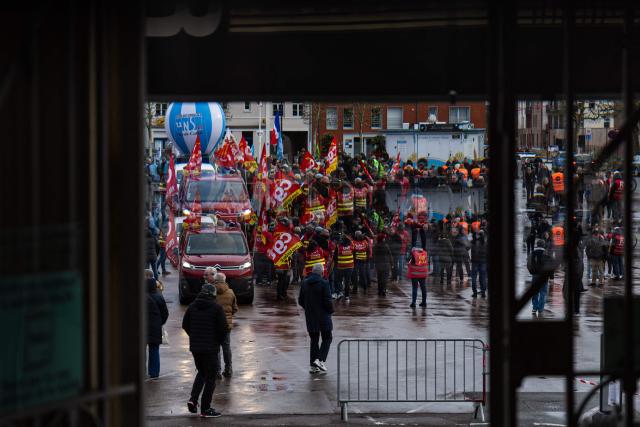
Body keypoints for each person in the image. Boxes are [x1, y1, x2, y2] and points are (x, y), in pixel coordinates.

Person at [182, 283, 228, 418]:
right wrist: (217, 342)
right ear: (213, 295)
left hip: (196, 348)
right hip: (211, 348)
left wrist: (194, 337)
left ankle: (193, 399)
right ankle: (205, 408)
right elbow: (223, 329)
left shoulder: (192, 306)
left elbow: (185, 325)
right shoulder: (216, 308)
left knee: (201, 372)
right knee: (211, 378)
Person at [298, 263, 334, 375]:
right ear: (322, 272)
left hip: (311, 316)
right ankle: (320, 359)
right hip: (323, 316)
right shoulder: (324, 283)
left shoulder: (304, 283)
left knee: (314, 340)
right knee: (327, 337)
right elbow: (328, 301)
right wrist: (331, 310)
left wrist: (308, 308)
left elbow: (300, 300)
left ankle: (313, 367)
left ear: (313, 271)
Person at [213, 272, 238, 379]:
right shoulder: (231, 292)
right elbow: (235, 308)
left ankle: (217, 371)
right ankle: (228, 368)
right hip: (226, 325)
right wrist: (228, 316)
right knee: (226, 347)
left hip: (213, 325)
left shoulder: (211, 292)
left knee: (215, 348)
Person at [146, 277, 168, 378]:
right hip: (155, 327)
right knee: (154, 350)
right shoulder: (159, 297)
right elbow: (165, 313)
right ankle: (154, 373)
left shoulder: (141, 297)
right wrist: (160, 322)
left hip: (142, 328)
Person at [527, 239, 553, 316]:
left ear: (537, 245)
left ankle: (534, 308)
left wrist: (532, 272)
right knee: (543, 292)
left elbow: (529, 264)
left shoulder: (532, 253)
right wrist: (551, 277)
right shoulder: (546, 253)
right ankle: (541, 308)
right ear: (543, 245)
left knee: (535, 292)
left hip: (535, 275)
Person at [470, 231, 488, 298]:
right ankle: (483, 292)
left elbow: (467, 247)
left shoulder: (473, 243)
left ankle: (474, 292)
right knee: (483, 277)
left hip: (474, 262)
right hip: (483, 262)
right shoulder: (485, 243)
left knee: (474, 277)